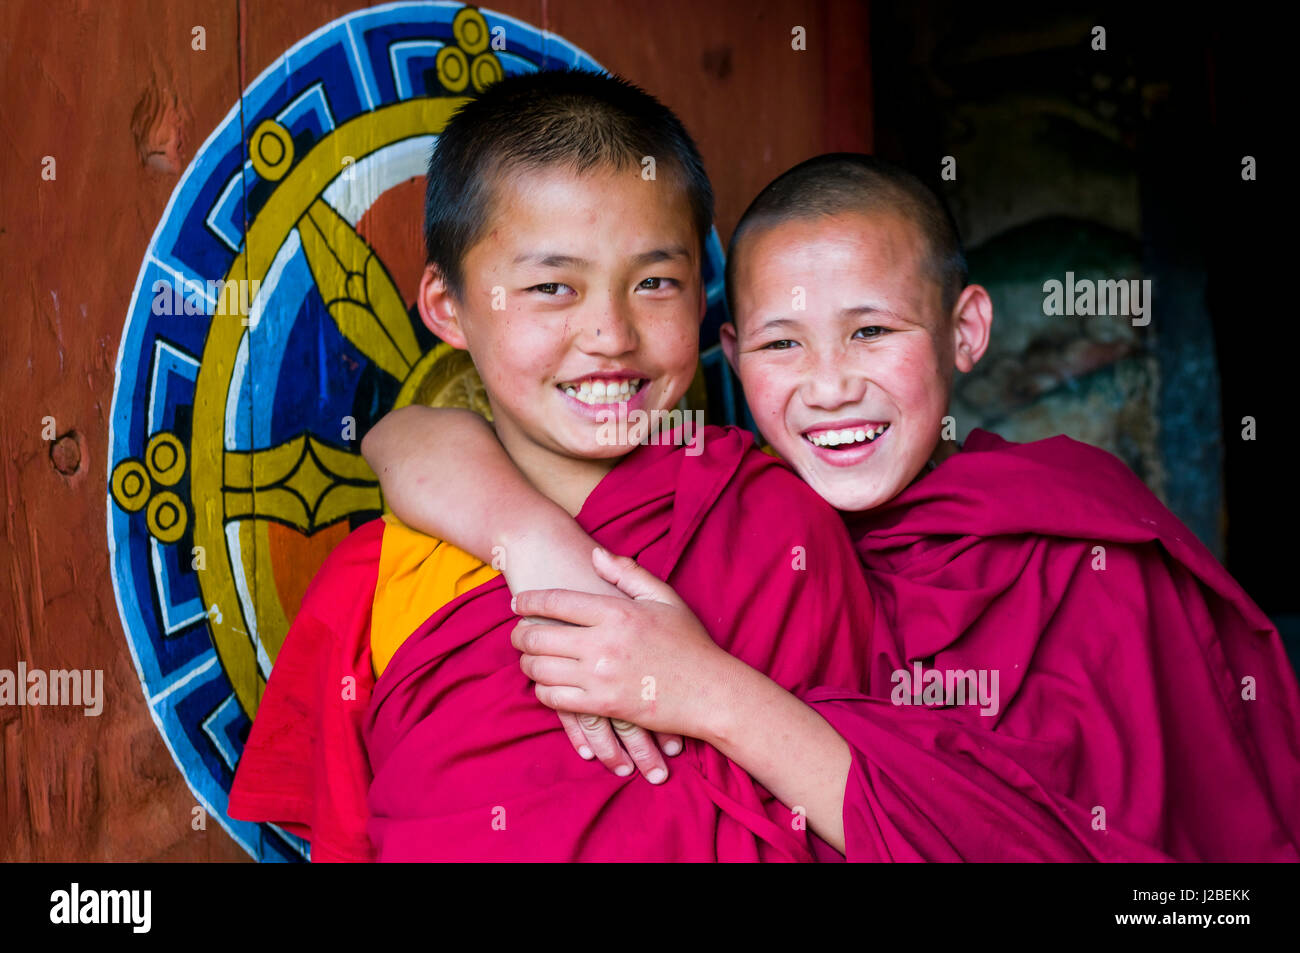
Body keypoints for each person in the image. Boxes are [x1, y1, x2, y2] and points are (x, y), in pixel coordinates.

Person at [364, 153, 1300, 861]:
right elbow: (405, 437)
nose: (829, 388)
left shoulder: (1072, 537)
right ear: (728, 356)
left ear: (964, 330)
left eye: (872, 332)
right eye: (781, 345)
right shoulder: (720, 507)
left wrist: (705, 690)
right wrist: (530, 540)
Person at [228, 72, 874, 861]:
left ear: (702, 299)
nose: (609, 331)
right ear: (448, 307)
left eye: (655, 283)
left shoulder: (780, 527)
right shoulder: (373, 586)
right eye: (551, 286)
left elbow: (883, 813)